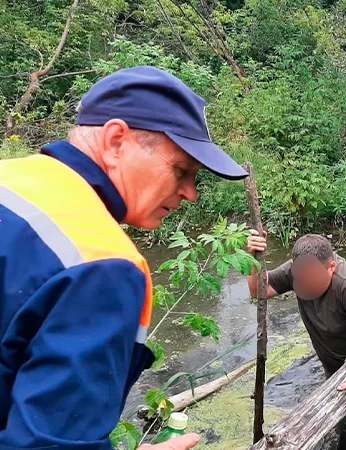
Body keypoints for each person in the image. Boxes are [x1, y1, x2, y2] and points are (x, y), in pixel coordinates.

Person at [0, 66, 249, 449]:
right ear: (116, 141)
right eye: (181, 170)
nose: (191, 193)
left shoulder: (11, 179)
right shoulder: (104, 264)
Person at [246, 233, 346, 450]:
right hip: (331, 362)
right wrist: (252, 259)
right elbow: (258, 291)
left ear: (331, 267)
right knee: (339, 420)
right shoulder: (295, 271)